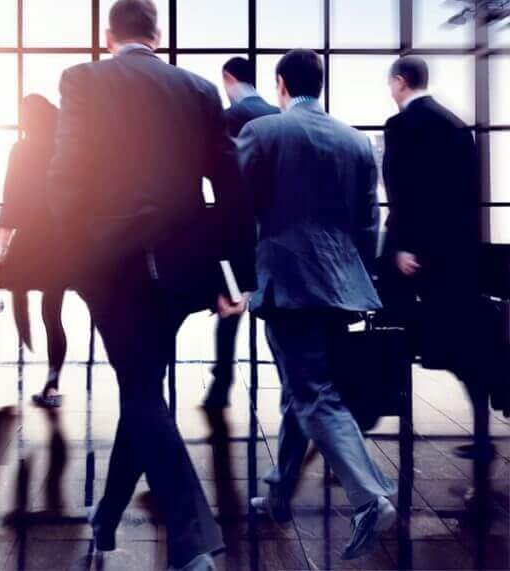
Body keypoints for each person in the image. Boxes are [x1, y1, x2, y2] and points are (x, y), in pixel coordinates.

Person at [48, 0, 256, 571]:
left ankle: (192, 544)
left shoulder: (82, 80)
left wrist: (73, 255)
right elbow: (230, 185)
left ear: (108, 33)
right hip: (179, 268)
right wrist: (235, 274)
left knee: (140, 392)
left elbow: (65, 176)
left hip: (111, 270)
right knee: (144, 388)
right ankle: (108, 515)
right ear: (156, 35)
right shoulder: (195, 89)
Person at [237, 49, 396, 560]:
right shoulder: (354, 141)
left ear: (280, 83)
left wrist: (235, 272)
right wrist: (359, 275)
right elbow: (368, 222)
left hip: (288, 283)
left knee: (315, 394)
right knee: (300, 389)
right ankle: (280, 494)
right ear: (319, 84)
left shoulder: (264, 133)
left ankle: (370, 496)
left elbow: (238, 209)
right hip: (340, 285)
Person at [381, 56, 488, 462]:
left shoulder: (402, 126)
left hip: (417, 254)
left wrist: (405, 246)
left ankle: (384, 408)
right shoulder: (456, 125)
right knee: (466, 342)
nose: (390, 93)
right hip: (456, 252)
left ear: (400, 82)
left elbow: (403, 190)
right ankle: (480, 429)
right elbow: (462, 195)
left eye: (391, 86)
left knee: (396, 331)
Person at [204, 57, 280, 410]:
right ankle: (289, 383)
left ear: (228, 78)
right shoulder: (279, 118)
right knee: (279, 314)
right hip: (274, 231)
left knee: (230, 306)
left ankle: (222, 384)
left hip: (236, 233)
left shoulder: (226, 118)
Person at [0, 94, 69, 409]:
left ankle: (24, 328)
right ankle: (52, 382)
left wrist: (0, 244)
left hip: (32, 237)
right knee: (53, 312)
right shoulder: (64, 149)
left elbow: (12, 198)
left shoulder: (21, 150)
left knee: (19, 286)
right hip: (63, 239)